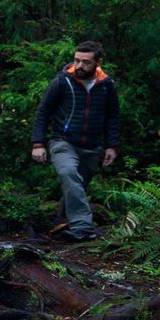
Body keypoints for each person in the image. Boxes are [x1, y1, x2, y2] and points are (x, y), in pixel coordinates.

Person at [30, 41, 120, 241]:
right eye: (77, 60)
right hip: (63, 142)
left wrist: (112, 146)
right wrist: (38, 143)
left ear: (98, 62)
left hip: (92, 147)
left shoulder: (107, 86)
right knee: (68, 172)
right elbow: (43, 112)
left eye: (86, 62)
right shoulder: (62, 82)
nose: (79, 66)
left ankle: (59, 221)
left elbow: (112, 117)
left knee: (76, 185)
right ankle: (82, 228)